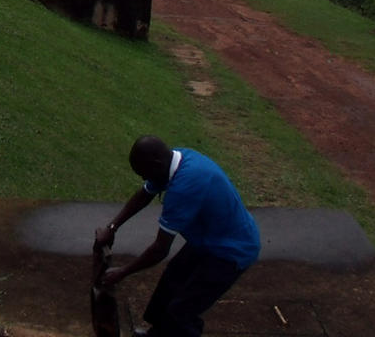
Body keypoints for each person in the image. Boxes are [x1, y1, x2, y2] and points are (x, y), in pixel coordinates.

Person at [96, 136, 260, 337]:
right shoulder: (175, 160)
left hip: (230, 251)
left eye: (144, 173)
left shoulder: (185, 187)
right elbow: (144, 195)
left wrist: (122, 272)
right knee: (169, 286)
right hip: (206, 240)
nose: (143, 179)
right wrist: (112, 227)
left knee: (182, 313)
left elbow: (159, 249)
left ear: (156, 164)